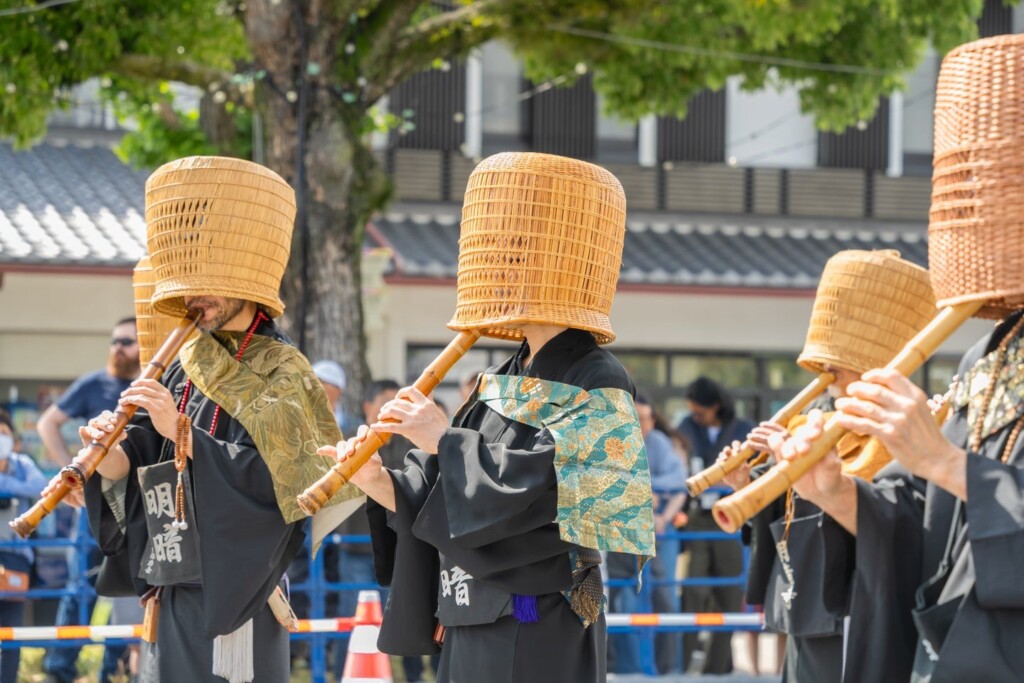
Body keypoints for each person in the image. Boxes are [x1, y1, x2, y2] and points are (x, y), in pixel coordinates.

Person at [326, 152, 655, 683]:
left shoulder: (598, 376)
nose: (504, 267)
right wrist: (379, 482)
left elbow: (551, 488)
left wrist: (443, 439)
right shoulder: (505, 374)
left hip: (533, 607)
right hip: (471, 606)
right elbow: (443, 494)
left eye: (518, 257)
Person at [769, 34, 1024, 683]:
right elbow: (928, 529)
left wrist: (944, 460)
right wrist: (842, 496)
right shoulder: (987, 352)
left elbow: (961, 484)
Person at [60, 156, 361, 682]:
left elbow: (288, 479)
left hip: (240, 585)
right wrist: (103, 455)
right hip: (175, 574)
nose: (198, 296)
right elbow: (137, 466)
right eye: (190, 283)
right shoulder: (184, 361)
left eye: (211, 282)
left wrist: (179, 432)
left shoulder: (282, 368)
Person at [720, 250, 937, 682]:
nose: (828, 372)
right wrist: (744, 483)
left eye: (838, 365)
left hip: (855, 596)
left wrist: (807, 470)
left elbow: (887, 508)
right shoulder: (816, 412)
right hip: (800, 586)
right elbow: (778, 505)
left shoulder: (907, 422)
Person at [38, 318, 139, 683]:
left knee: (128, 590)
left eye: (127, 341)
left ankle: (112, 671)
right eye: (114, 341)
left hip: (137, 505)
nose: (118, 348)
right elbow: (48, 423)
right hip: (94, 506)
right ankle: (59, 671)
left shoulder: (155, 386)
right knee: (81, 588)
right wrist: (71, 471)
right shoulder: (96, 382)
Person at [676, 377, 752, 674]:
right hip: (696, 518)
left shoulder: (742, 429)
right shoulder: (685, 427)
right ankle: (681, 667)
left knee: (730, 593)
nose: (695, 417)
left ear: (716, 406)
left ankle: (717, 668)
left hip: (730, 517)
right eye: (692, 412)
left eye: (700, 412)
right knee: (693, 589)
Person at [609, 395, 686, 675]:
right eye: (637, 418)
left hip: (654, 533)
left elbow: (680, 482)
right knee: (617, 598)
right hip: (616, 533)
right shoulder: (612, 441)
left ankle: (668, 667)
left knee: (664, 597)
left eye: (646, 418)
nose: (642, 424)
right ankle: (617, 665)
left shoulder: (660, 444)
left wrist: (646, 493)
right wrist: (643, 493)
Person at [0, 408, 47, 683]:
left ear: (13, 439)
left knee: (11, 629)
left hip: (16, 556)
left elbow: (40, 487)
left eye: (3, 434)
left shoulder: (23, 463)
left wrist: (5, 481)